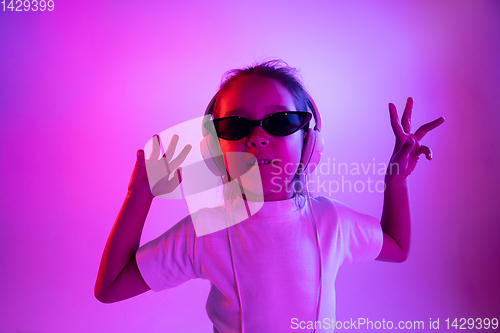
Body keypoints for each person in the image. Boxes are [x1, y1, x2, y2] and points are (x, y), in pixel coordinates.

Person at [94, 59, 444, 332]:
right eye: (235, 126)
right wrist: (139, 194)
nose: (257, 138)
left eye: (280, 121)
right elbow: (110, 288)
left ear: (310, 142)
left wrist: (396, 179)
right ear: (216, 150)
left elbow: (396, 248)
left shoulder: (331, 221)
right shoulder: (206, 230)